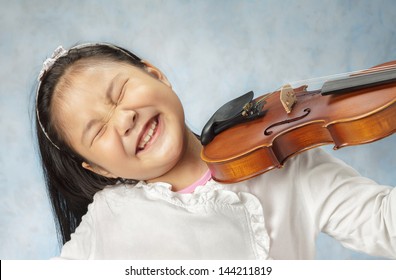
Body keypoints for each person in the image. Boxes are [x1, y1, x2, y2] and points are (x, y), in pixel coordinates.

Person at [35, 43, 395, 259]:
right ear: (101, 169)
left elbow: (383, 222)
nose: (124, 119)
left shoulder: (281, 159)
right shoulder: (107, 221)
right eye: (98, 130)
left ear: (157, 76)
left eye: (120, 92)